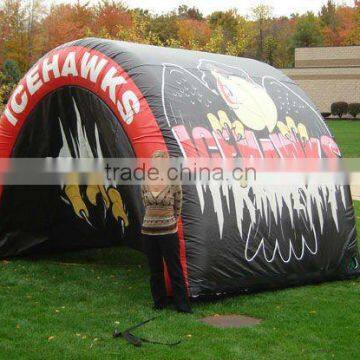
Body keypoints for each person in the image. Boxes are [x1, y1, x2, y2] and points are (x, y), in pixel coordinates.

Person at [141, 150, 192, 313]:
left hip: (168, 232)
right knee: (155, 269)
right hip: (149, 232)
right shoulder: (145, 180)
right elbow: (145, 203)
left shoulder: (173, 181)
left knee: (174, 268)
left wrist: (170, 221)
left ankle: (182, 305)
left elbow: (178, 205)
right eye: (156, 161)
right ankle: (159, 302)